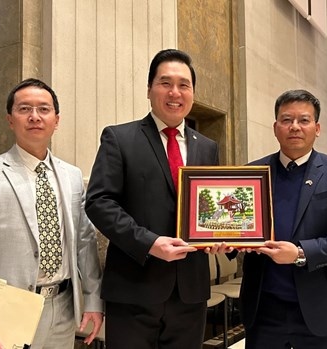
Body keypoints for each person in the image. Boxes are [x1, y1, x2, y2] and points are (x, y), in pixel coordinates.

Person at [0, 78, 104, 349]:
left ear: (56, 120)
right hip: (5, 311)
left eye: (44, 109)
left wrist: (92, 300)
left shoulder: (72, 176)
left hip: (63, 309)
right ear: (10, 119)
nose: (34, 116)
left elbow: (84, 244)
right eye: (24, 109)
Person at [85, 49, 224, 349]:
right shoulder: (119, 138)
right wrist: (148, 242)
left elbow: (209, 210)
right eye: (165, 83)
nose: (175, 92)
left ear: (193, 93)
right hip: (134, 289)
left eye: (183, 85)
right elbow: (99, 202)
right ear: (149, 90)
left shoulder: (207, 148)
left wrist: (219, 236)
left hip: (190, 292)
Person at [239, 89, 327, 349]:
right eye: (286, 120)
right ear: (275, 127)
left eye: (304, 120)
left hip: (323, 311)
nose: (294, 127)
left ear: (317, 128)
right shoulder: (251, 174)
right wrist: (225, 240)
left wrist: (300, 253)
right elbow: (238, 229)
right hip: (265, 311)